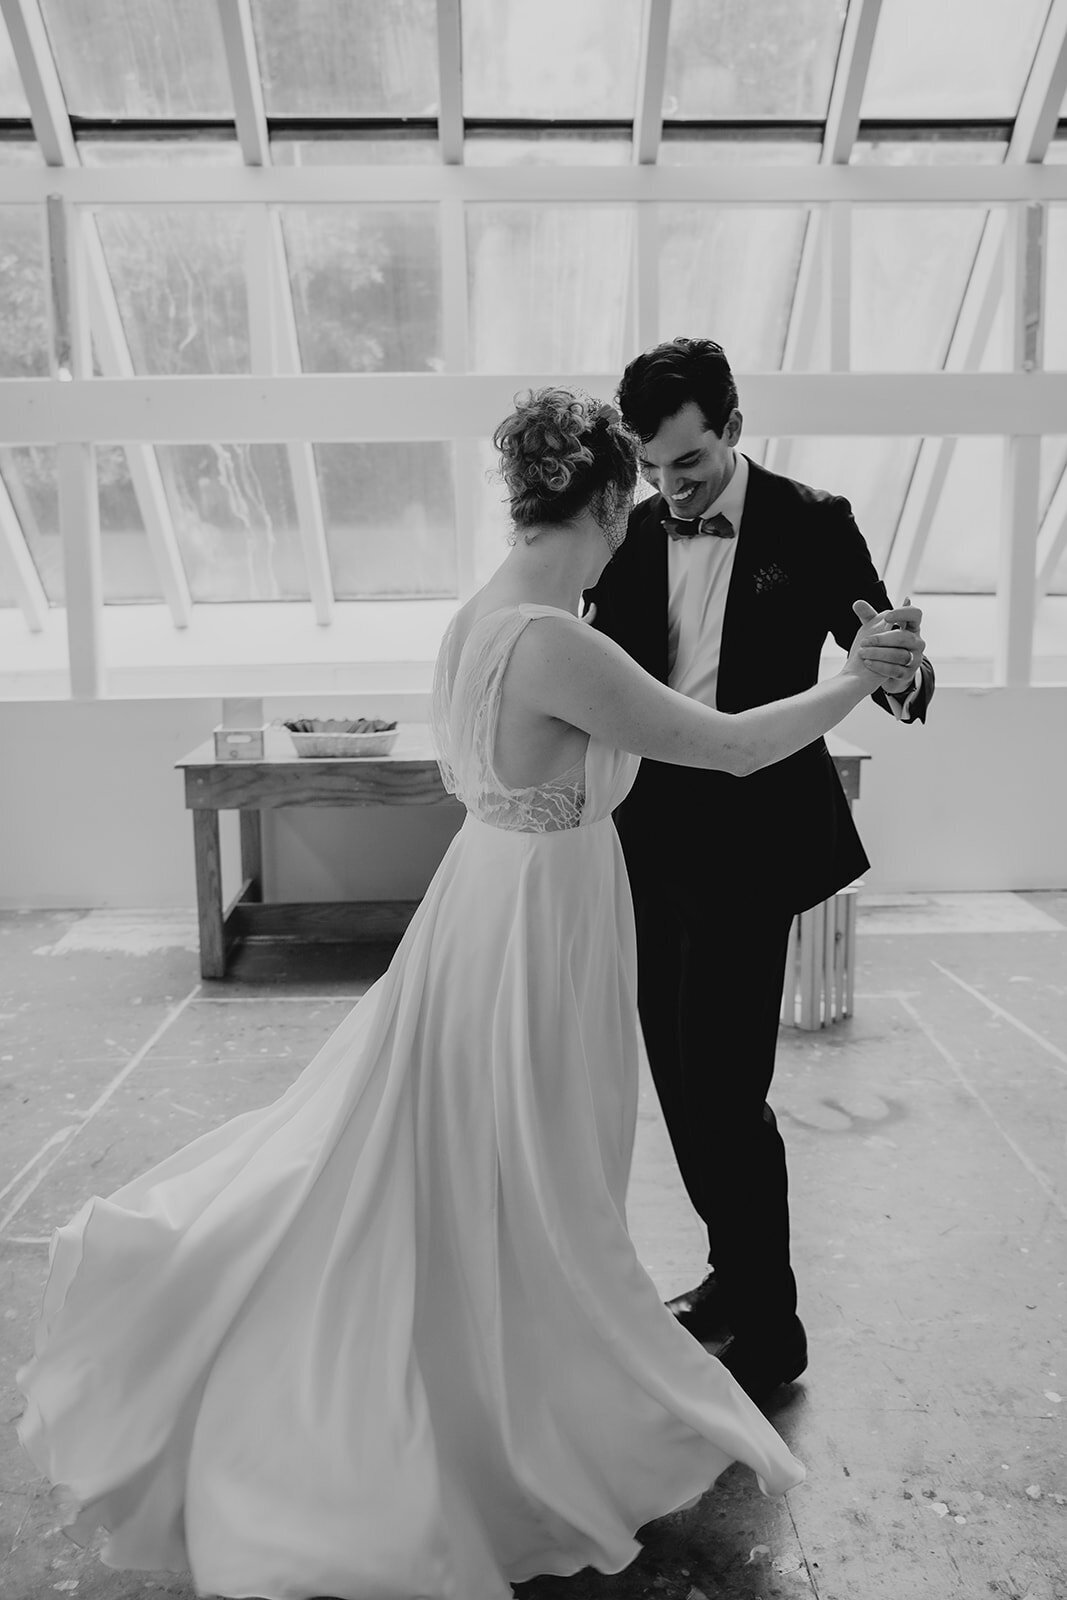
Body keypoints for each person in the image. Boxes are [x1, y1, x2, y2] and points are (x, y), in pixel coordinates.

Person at [16, 387, 920, 1600]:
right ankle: (507, 1400)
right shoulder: (558, 642)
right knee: (536, 1161)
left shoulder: (478, 617)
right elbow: (734, 745)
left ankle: (496, 1351)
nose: (630, 529)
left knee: (472, 1155)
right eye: (624, 506)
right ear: (599, 499)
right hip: (542, 925)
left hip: (486, 902)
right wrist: (858, 675)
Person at [583, 338, 935, 1401]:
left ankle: (771, 1328)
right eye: (650, 467)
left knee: (729, 1091)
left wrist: (901, 668)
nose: (666, 487)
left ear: (733, 429)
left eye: (684, 464)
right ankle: (730, 1280)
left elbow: (882, 664)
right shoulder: (634, 532)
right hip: (640, 838)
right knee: (680, 1089)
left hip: (751, 839)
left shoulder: (810, 522)